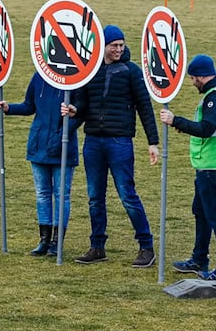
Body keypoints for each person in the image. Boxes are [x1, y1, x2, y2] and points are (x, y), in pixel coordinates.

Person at [61, 25, 160, 268]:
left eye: (121, 45)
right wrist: (74, 111)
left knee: (127, 194)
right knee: (95, 197)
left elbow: (145, 107)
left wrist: (153, 142)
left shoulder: (131, 72)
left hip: (120, 141)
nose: (118, 49)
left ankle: (146, 245)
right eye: (114, 45)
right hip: (93, 140)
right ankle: (97, 246)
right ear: (103, 46)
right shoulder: (89, 72)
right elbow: (82, 104)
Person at [159, 54, 216, 278]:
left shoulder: (214, 96)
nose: (192, 83)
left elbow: (206, 128)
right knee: (201, 212)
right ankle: (199, 258)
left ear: (199, 76)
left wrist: (175, 120)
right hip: (207, 165)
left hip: (213, 166)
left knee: (215, 217)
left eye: (192, 79)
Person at [0, 73, 78, 256]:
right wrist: (9, 108)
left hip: (62, 145)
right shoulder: (39, 77)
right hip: (39, 144)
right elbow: (29, 106)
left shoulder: (75, 77)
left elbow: (80, 111)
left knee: (61, 193)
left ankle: (57, 241)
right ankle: (44, 240)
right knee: (42, 193)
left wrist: (72, 115)